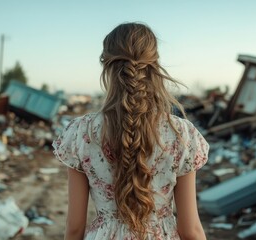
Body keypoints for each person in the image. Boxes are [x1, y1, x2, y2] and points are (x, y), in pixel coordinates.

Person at [53, 22, 209, 240]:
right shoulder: (181, 135)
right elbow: (190, 229)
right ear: (154, 65)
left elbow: (75, 228)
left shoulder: (82, 132)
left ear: (106, 66)